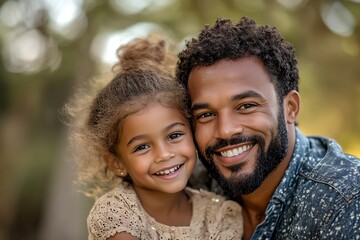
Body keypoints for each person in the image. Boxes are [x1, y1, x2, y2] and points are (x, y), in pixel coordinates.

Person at [176, 17, 360, 239]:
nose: (225, 130)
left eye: (246, 106)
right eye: (206, 115)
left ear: (290, 108)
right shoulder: (190, 184)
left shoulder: (346, 199)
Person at [66, 35, 243, 240]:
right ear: (116, 163)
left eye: (174, 135)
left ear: (192, 131)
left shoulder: (221, 215)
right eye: (142, 147)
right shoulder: (116, 212)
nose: (164, 154)